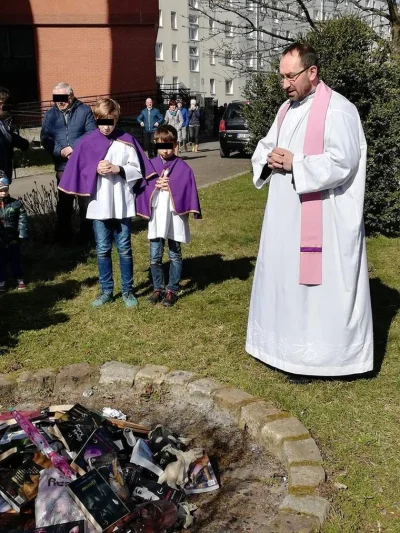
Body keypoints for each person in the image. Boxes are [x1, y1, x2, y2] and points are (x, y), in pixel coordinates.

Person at [246, 43, 373, 382]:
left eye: (291, 76)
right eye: (281, 77)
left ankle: (321, 360)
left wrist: (295, 163)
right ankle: (285, 350)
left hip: (323, 221)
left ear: (312, 72)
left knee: (316, 292)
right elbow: (267, 144)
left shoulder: (339, 110)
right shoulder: (286, 110)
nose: (285, 83)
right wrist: (269, 157)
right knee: (286, 283)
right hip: (285, 215)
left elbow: (343, 163)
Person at [58, 98, 156, 308]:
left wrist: (118, 169)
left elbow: (138, 169)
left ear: (116, 119)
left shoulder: (127, 140)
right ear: (96, 119)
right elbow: (79, 169)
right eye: (102, 122)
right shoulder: (87, 141)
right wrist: (95, 169)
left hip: (121, 203)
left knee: (124, 248)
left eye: (110, 122)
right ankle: (106, 290)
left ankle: (128, 291)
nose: (106, 127)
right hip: (99, 204)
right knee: (102, 249)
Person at [135, 125, 202, 308]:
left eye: (168, 146)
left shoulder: (183, 167)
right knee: (155, 256)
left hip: (174, 215)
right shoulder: (151, 165)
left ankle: (171, 289)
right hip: (157, 214)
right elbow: (143, 186)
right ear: (155, 144)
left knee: (174, 253)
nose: (164, 150)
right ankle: (158, 288)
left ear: (175, 145)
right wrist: (155, 185)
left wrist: (170, 186)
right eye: (160, 146)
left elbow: (187, 187)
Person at [41, 82, 96, 244]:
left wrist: (73, 148)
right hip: (63, 165)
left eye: (62, 97)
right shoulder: (50, 114)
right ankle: (64, 237)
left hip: (83, 163)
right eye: (56, 98)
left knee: (84, 201)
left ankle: (86, 237)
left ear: (71, 96)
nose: (59, 101)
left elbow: (92, 132)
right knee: (64, 202)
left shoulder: (84, 110)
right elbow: (45, 137)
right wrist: (61, 150)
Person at [0, 172, 28, 291]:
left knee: (16, 259)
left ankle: (19, 278)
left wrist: (22, 234)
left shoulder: (16, 204)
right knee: (0, 261)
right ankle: (2, 281)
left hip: (13, 238)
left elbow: (22, 219)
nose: (3, 193)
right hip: (0, 239)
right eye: (1, 190)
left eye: (5, 190)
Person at [0, 87, 29, 183]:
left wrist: (24, 144)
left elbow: (9, 137)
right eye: (2, 104)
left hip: (4, 177)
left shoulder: (2, 122)